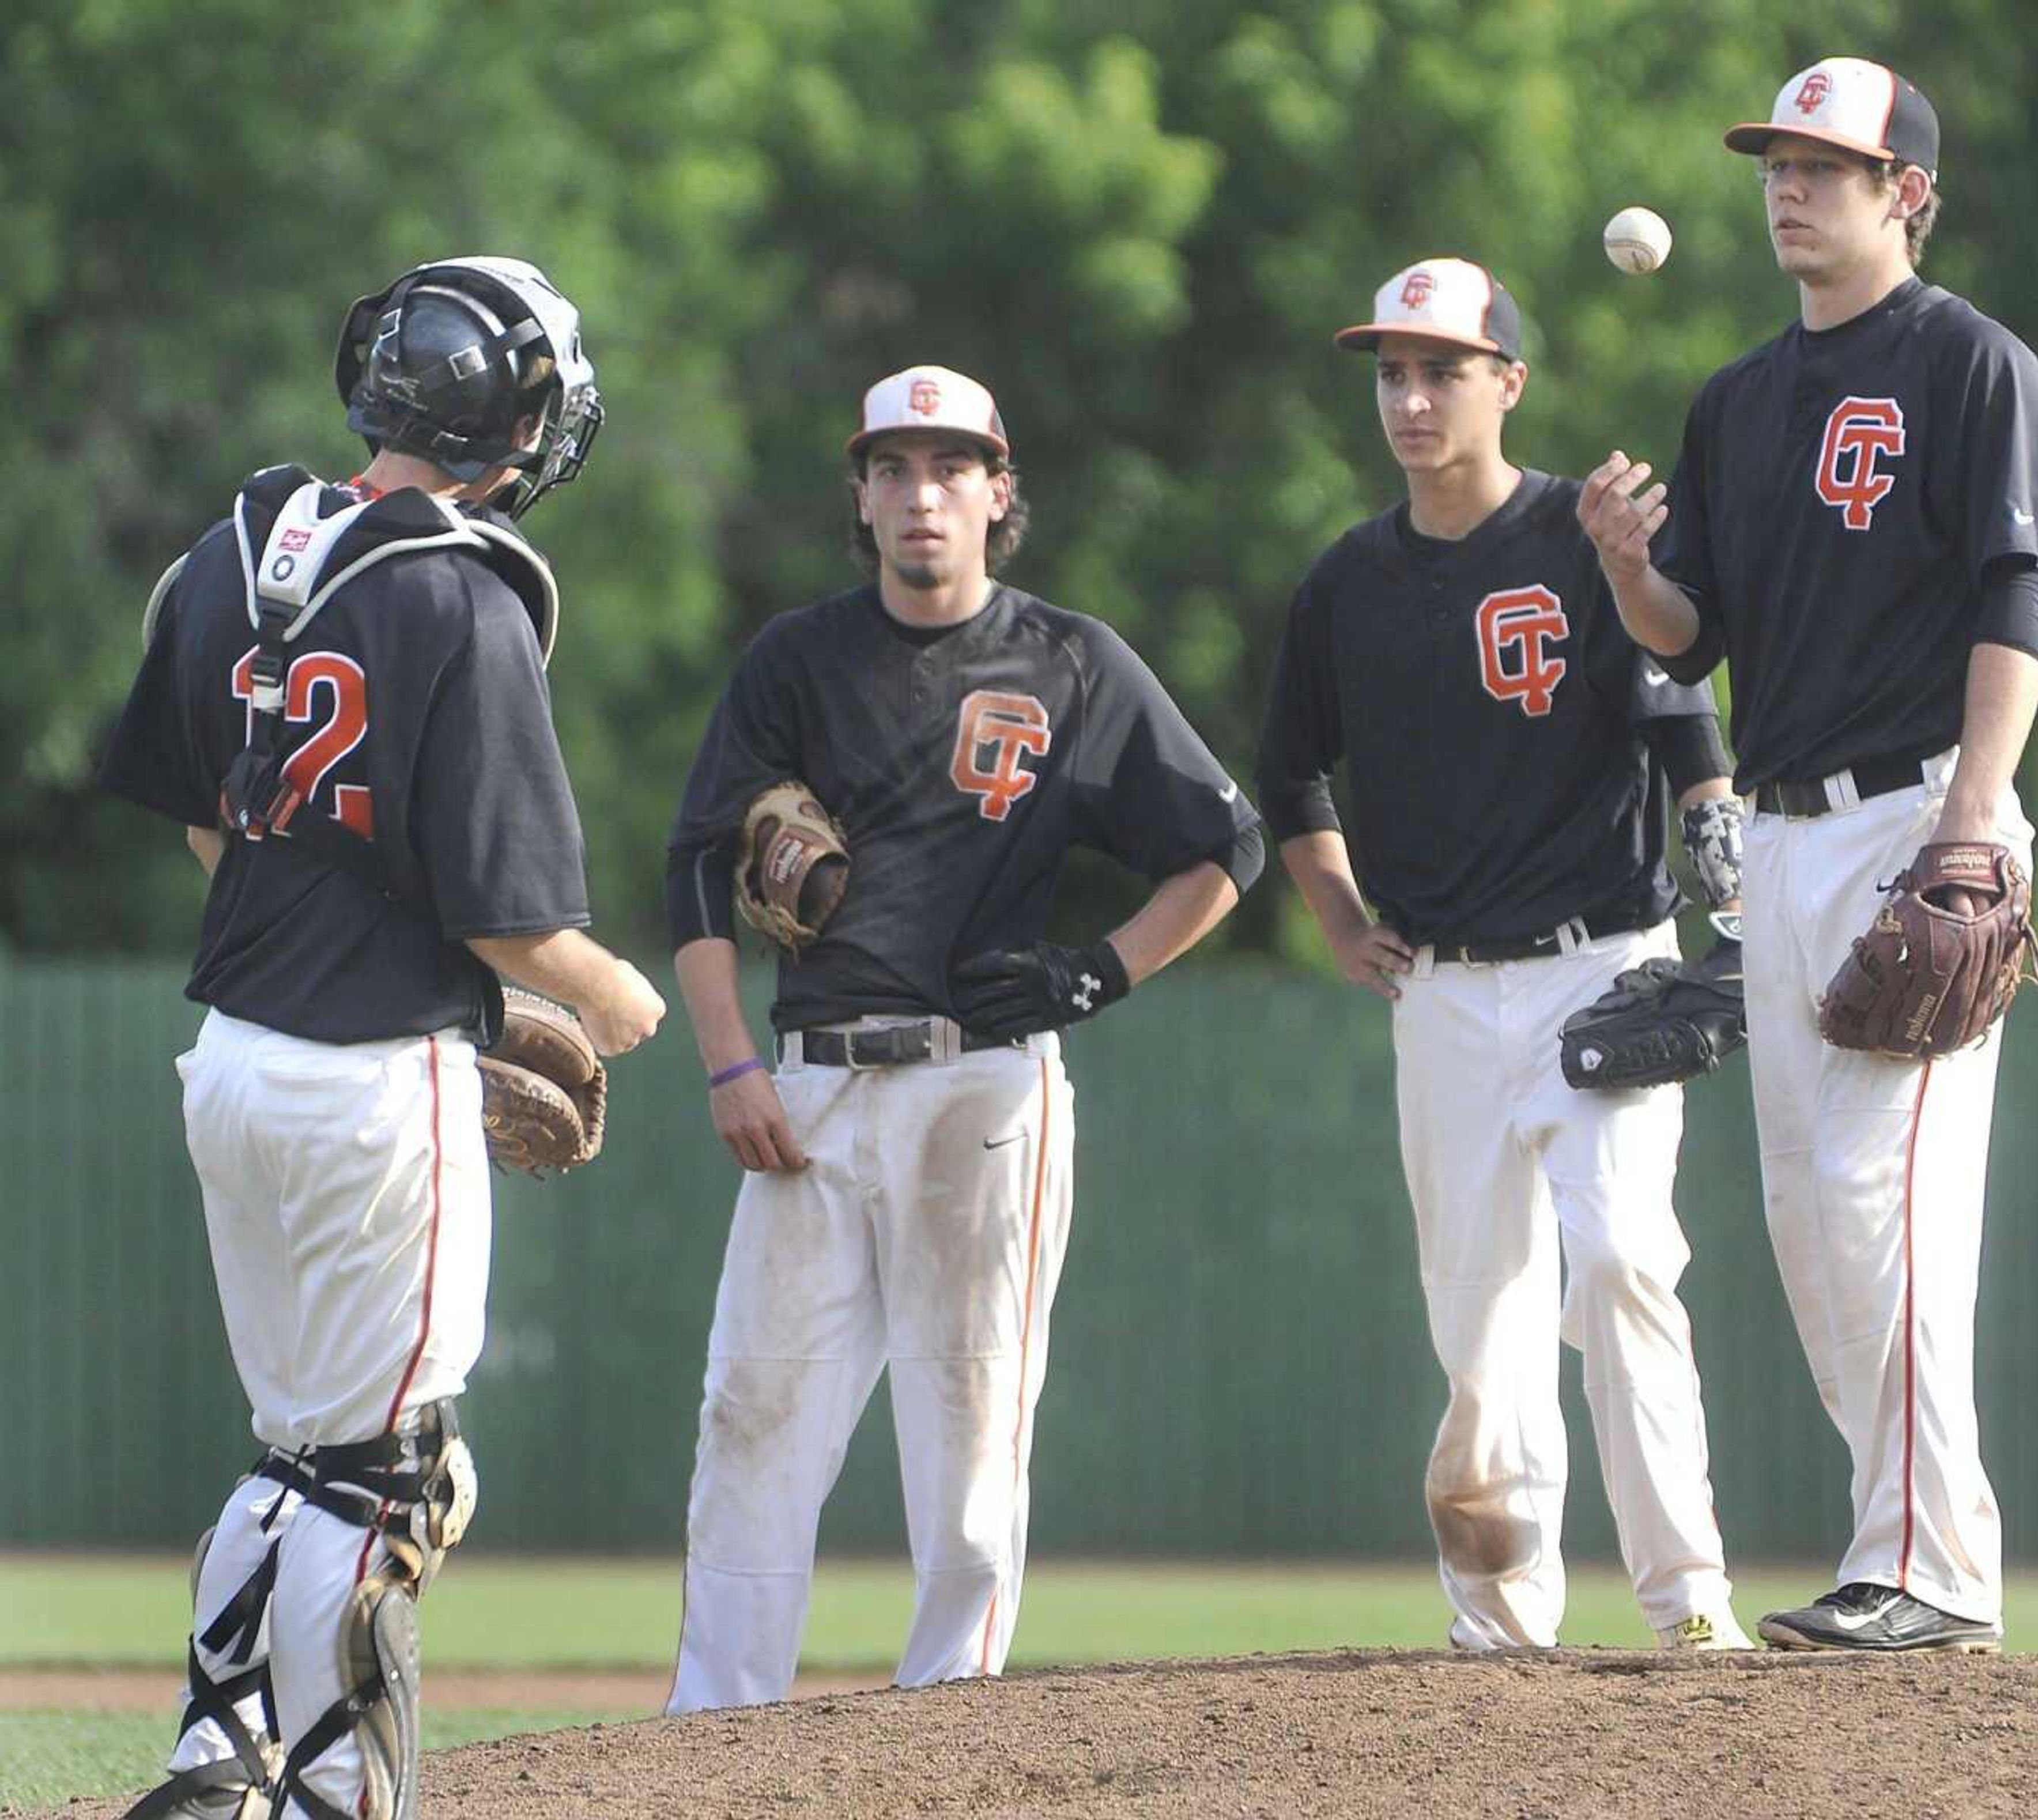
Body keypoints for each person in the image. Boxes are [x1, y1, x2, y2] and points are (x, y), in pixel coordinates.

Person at [98, 255, 665, 1818]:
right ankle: (339, 1794)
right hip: (371, 1086)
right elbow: (515, 925)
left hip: (234, 1063)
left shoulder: (231, 558)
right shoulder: (462, 592)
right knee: (390, 1470)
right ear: (516, 424)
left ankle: (216, 1754)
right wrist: (622, 1003)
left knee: (295, 1445)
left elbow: (210, 822)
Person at [662, 364, 1263, 1708]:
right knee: (752, 1412)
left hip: (980, 1085)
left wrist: (1102, 972)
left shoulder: (1071, 661)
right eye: (892, 468)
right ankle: (711, 1730)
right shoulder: (796, 660)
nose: (921, 493)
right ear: (862, 499)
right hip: (806, 1090)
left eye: (950, 468)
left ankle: (951, 1724)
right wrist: (728, 1061)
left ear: (1000, 495)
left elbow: (1225, 846)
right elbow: (700, 869)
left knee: (971, 1416)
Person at [1579, 58, 2038, 1653]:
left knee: (1889, 1193)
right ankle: (1912, 1554)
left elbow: (2024, 595)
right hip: (1786, 836)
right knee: (1810, 1212)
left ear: (1906, 193)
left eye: (1825, 164)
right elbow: (1691, 632)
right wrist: (1621, 566)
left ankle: (1932, 1565)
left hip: (1919, 812)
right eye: (1776, 163)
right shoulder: (1735, 399)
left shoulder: (1973, 364)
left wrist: (1973, 823)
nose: (1789, 186)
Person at [1257, 258, 1752, 1653]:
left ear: (1508, 384)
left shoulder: (1568, 537)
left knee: (1621, 1264)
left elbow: (1671, 691)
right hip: (1445, 991)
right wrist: (1342, 919)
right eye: (1392, 375)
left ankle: (1687, 1603)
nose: (1412, 400)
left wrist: (1712, 799)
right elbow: (1290, 774)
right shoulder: (1348, 583)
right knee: (1480, 1320)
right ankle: (1501, 1630)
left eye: (1443, 371)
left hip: (1604, 963)